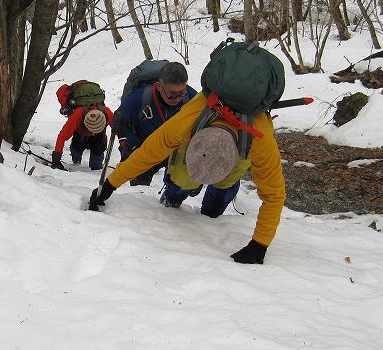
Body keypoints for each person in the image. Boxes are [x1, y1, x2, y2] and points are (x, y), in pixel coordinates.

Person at [87, 92, 286, 265]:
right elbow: (147, 154)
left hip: (242, 147)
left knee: (225, 184)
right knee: (179, 178)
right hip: (199, 134)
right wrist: (110, 185)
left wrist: (260, 243)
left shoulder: (261, 142)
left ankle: (212, 213)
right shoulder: (187, 121)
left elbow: (274, 195)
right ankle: (173, 196)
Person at [115, 62, 197, 186]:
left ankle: (170, 199)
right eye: (172, 94)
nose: (178, 98)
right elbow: (120, 121)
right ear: (158, 86)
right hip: (146, 148)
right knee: (138, 190)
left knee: (177, 184)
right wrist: (128, 146)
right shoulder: (139, 98)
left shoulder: (190, 96)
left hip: (175, 148)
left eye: (181, 92)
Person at [52, 99, 115, 171]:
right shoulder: (78, 114)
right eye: (92, 129)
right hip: (80, 134)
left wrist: (123, 148)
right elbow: (62, 136)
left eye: (96, 130)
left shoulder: (106, 111)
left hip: (99, 137)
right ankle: (76, 163)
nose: (93, 133)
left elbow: (120, 130)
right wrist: (56, 158)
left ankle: (96, 167)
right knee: (76, 151)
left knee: (96, 164)